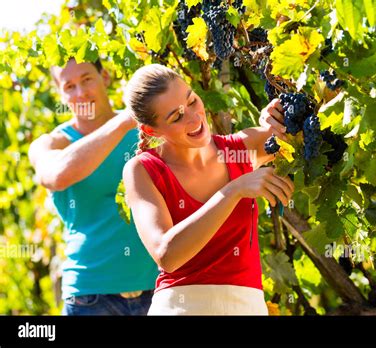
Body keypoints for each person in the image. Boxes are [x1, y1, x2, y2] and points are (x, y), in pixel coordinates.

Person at [122, 64, 294, 315]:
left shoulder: (238, 150)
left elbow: (301, 128)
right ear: (152, 131)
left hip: (248, 308)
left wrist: (277, 115)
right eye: (176, 117)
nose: (194, 118)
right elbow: (167, 255)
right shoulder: (144, 169)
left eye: (192, 101)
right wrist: (233, 190)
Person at [28, 58, 158, 315]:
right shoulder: (50, 144)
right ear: (61, 94)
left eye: (87, 79)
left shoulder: (143, 128)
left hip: (158, 288)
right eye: (69, 86)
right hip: (90, 298)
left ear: (105, 77)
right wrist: (120, 123)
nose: (80, 93)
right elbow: (55, 176)